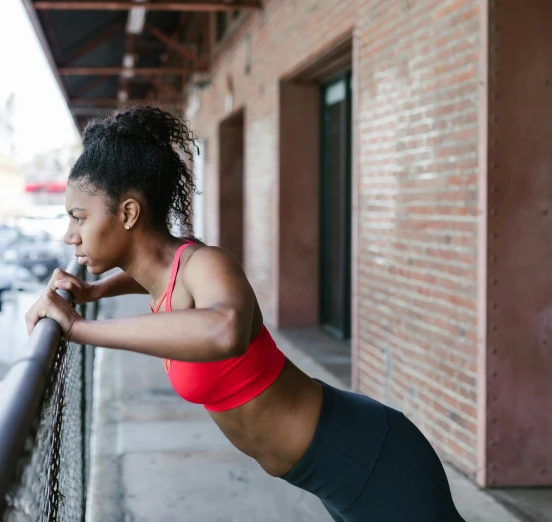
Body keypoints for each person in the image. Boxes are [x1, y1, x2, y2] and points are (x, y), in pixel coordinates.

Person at [25, 106, 465, 522]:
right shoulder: (170, 273)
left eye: (78, 217)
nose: (70, 235)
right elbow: (155, 280)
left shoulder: (206, 263)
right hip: (333, 473)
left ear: (128, 213)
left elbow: (225, 329)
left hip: (368, 456)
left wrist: (81, 329)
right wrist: (94, 289)